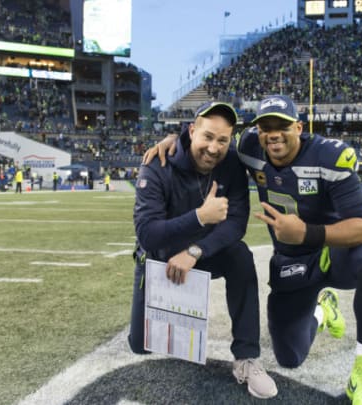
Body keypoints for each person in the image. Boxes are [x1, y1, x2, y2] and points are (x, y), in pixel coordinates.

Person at [146, 95, 362, 404]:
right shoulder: (250, 148)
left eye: (283, 126)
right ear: (258, 131)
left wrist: (307, 232)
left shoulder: (329, 157)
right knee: (290, 356)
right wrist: (176, 140)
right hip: (291, 263)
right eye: (266, 126)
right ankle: (322, 309)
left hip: (332, 252)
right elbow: (212, 147)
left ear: (299, 127)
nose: (273, 133)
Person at [130, 101, 278, 399]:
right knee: (141, 345)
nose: (214, 148)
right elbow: (147, 234)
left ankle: (247, 356)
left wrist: (195, 250)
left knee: (240, 256)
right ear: (191, 130)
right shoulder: (158, 162)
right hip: (161, 256)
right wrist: (199, 216)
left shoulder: (232, 163)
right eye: (207, 137)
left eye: (222, 140)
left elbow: (236, 224)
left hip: (202, 253)